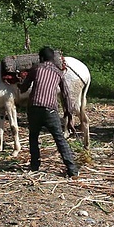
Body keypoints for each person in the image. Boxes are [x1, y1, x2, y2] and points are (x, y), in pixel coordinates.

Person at [18, 46, 79, 178]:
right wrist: (69, 116)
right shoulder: (59, 73)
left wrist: (20, 82)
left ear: (41, 58)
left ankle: (35, 165)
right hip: (50, 110)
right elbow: (66, 95)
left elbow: (24, 88)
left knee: (33, 137)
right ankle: (72, 169)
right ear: (53, 59)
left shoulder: (36, 69)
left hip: (34, 107)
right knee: (59, 139)